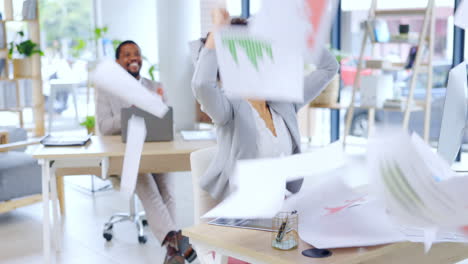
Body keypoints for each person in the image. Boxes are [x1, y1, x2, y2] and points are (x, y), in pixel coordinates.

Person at [191, 9, 339, 203]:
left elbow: (329, 67)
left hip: (281, 206)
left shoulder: (283, 100)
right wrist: (219, 30)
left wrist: (300, 32)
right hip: (242, 210)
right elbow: (202, 84)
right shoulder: (228, 108)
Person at [96, 40, 196, 264]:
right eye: (127, 54)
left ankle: (173, 250)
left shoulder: (154, 86)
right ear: (118, 62)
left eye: (137, 54)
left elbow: (168, 123)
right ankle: (178, 244)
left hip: (156, 147)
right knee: (148, 188)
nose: (133, 58)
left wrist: (158, 105)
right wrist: (129, 113)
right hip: (127, 154)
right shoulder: (107, 89)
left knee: (167, 190)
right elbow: (103, 126)